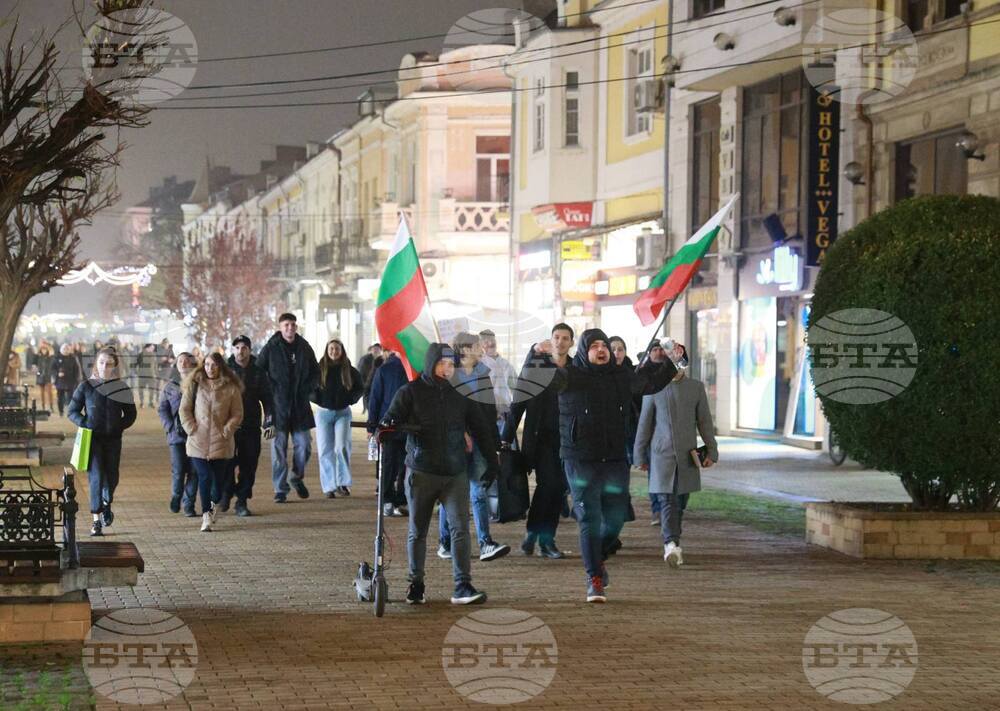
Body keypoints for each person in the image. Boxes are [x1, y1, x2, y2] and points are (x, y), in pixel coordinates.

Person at [543, 328, 678, 603]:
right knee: (589, 519)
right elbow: (546, 380)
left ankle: (597, 556)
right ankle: (593, 577)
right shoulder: (571, 375)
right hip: (579, 460)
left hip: (615, 459)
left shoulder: (621, 376)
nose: (601, 349)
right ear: (584, 350)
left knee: (616, 519)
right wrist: (542, 358)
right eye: (594, 346)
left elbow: (650, 383)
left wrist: (673, 361)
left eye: (604, 344)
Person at [383, 343, 500, 606]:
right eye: (442, 363)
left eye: (451, 364)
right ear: (430, 363)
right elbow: (390, 421)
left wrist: (492, 461)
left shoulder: (461, 394)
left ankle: (462, 585)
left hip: (455, 472)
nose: (447, 368)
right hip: (421, 472)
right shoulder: (410, 392)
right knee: (418, 531)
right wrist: (393, 426)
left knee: (460, 529)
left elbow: (481, 429)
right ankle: (416, 583)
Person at [634, 344, 717, 567]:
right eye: (670, 359)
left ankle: (673, 538)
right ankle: (671, 544)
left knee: (680, 502)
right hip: (661, 455)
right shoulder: (653, 389)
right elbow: (644, 424)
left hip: (688, 456)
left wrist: (712, 450)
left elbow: (705, 422)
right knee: (667, 501)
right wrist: (639, 455)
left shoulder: (696, 388)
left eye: (678, 359)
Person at [502, 323, 576, 559]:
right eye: (557, 337)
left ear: (571, 343)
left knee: (556, 488)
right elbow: (519, 401)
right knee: (550, 485)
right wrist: (506, 435)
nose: (561, 342)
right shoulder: (537, 365)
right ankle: (545, 539)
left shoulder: (575, 369)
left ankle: (535, 535)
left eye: (566, 338)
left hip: (568, 440)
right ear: (550, 340)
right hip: (540, 438)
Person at [437, 333, 510, 563]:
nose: (482, 348)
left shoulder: (483, 374)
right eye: (477, 345)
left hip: (481, 439)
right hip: (455, 442)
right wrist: (462, 433)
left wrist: (494, 442)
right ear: (465, 350)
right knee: (450, 492)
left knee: (478, 490)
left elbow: (488, 411)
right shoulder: (450, 375)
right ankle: (445, 542)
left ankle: (485, 542)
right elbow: (446, 411)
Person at [67, 348, 137, 537]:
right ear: (96, 364)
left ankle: (107, 503)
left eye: (108, 364)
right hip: (93, 439)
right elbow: (72, 411)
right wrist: (85, 423)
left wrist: (118, 426)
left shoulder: (121, 388)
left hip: (113, 440)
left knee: (112, 478)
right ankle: (96, 520)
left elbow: (131, 414)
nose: (104, 367)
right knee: (96, 477)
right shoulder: (86, 387)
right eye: (101, 363)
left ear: (114, 366)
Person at [256, 313, 320, 503]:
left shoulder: (304, 347)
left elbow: (316, 371)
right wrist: (271, 390)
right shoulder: (271, 348)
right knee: (278, 451)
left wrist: (308, 388)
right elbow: (260, 370)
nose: (290, 328)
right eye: (286, 325)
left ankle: (296, 476)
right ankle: (280, 489)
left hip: (300, 405)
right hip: (278, 407)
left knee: (305, 446)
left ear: (296, 327)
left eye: (292, 325)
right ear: (280, 327)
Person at [180, 352, 244, 533]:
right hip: (197, 441)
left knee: (218, 485)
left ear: (220, 367)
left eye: (214, 365)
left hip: (221, 442)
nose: (210, 368)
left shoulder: (231, 387)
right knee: (205, 477)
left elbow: (237, 413)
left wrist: (227, 430)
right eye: (207, 364)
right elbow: (184, 409)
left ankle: (214, 503)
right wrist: (191, 428)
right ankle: (206, 515)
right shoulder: (195, 384)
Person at [225, 335, 275, 517]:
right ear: (233, 350)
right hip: (229, 427)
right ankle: (227, 491)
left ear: (249, 350)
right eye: (237, 347)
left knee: (249, 464)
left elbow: (268, 398)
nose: (240, 351)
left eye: (244, 347)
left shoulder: (258, 371)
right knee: (226, 463)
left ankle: (242, 500)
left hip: (251, 425)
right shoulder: (225, 370)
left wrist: (269, 421)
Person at [311, 338, 364, 498]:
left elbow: (359, 388)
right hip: (323, 413)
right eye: (331, 349)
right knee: (325, 449)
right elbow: (309, 387)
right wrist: (318, 399)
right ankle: (329, 486)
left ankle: (342, 483)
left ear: (342, 351)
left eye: (337, 349)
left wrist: (350, 400)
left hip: (343, 413)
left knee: (342, 447)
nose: (334, 351)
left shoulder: (350, 370)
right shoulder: (319, 369)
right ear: (327, 350)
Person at [366, 348, 410, 517]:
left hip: (394, 425)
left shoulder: (387, 369)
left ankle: (392, 500)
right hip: (397, 425)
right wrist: (372, 427)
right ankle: (393, 500)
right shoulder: (387, 369)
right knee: (397, 465)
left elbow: (375, 398)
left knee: (395, 465)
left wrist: (372, 426)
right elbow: (375, 398)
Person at [158, 352, 199, 517]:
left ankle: (189, 504)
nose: (183, 363)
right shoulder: (170, 386)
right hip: (176, 436)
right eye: (180, 361)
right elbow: (162, 409)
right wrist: (169, 427)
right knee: (179, 469)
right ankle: (176, 495)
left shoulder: (198, 385)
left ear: (192, 365)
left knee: (194, 471)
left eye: (187, 361)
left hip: (195, 435)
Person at [477, 329, 516, 422]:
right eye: (486, 341)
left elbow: (515, 389)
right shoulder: (479, 365)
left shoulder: (506, 364)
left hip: (506, 412)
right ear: (481, 345)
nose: (490, 343)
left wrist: (515, 408)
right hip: (487, 414)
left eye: (492, 340)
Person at [53, 343, 82, 417]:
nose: (66, 350)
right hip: (60, 381)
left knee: (70, 397)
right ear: (61, 350)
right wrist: (57, 374)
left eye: (67, 349)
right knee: (60, 397)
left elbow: (77, 369)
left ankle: (70, 411)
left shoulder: (73, 358)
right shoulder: (57, 358)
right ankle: (61, 411)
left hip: (70, 381)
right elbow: (52, 369)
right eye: (64, 349)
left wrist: (78, 380)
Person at [357, 343, 384, 413]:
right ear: (371, 350)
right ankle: (366, 407)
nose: (376, 351)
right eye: (374, 349)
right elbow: (361, 369)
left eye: (378, 349)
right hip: (367, 380)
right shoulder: (365, 359)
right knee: (367, 394)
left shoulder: (382, 359)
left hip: (376, 381)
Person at [34, 343, 55, 412]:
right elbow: (34, 363)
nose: (44, 350)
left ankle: (51, 406)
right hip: (40, 376)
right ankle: (43, 406)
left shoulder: (50, 357)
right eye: (42, 349)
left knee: (50, 392)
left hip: (48, 376)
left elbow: (52, 364)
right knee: (42, 392)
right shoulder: (38, 357)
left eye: (45, 349)